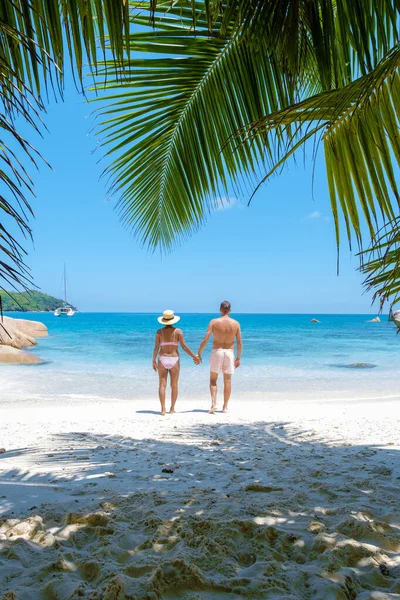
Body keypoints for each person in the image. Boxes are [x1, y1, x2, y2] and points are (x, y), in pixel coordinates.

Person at [196, 301, 242, 413]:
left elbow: (205, 339)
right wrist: (238, 358)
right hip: (229, 352)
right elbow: (239, 342)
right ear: (230, 310)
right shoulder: (236, 324)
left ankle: (213, 404)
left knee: (213, 380)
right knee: (227, 380)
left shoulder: (214, 322)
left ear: (220, 310)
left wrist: (199, 353)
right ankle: (225, 407)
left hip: (217, 351)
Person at [153, 310, 199, 415]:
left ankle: (163, 409)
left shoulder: (159, 332)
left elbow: (156, 347)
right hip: (174, 359)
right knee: (174, 385)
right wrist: (194, 357)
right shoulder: (178, 331)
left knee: (162, 385)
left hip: (162, 358)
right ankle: (172, 408)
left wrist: (153, 360)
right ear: (173, 320)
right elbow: (184, 347)